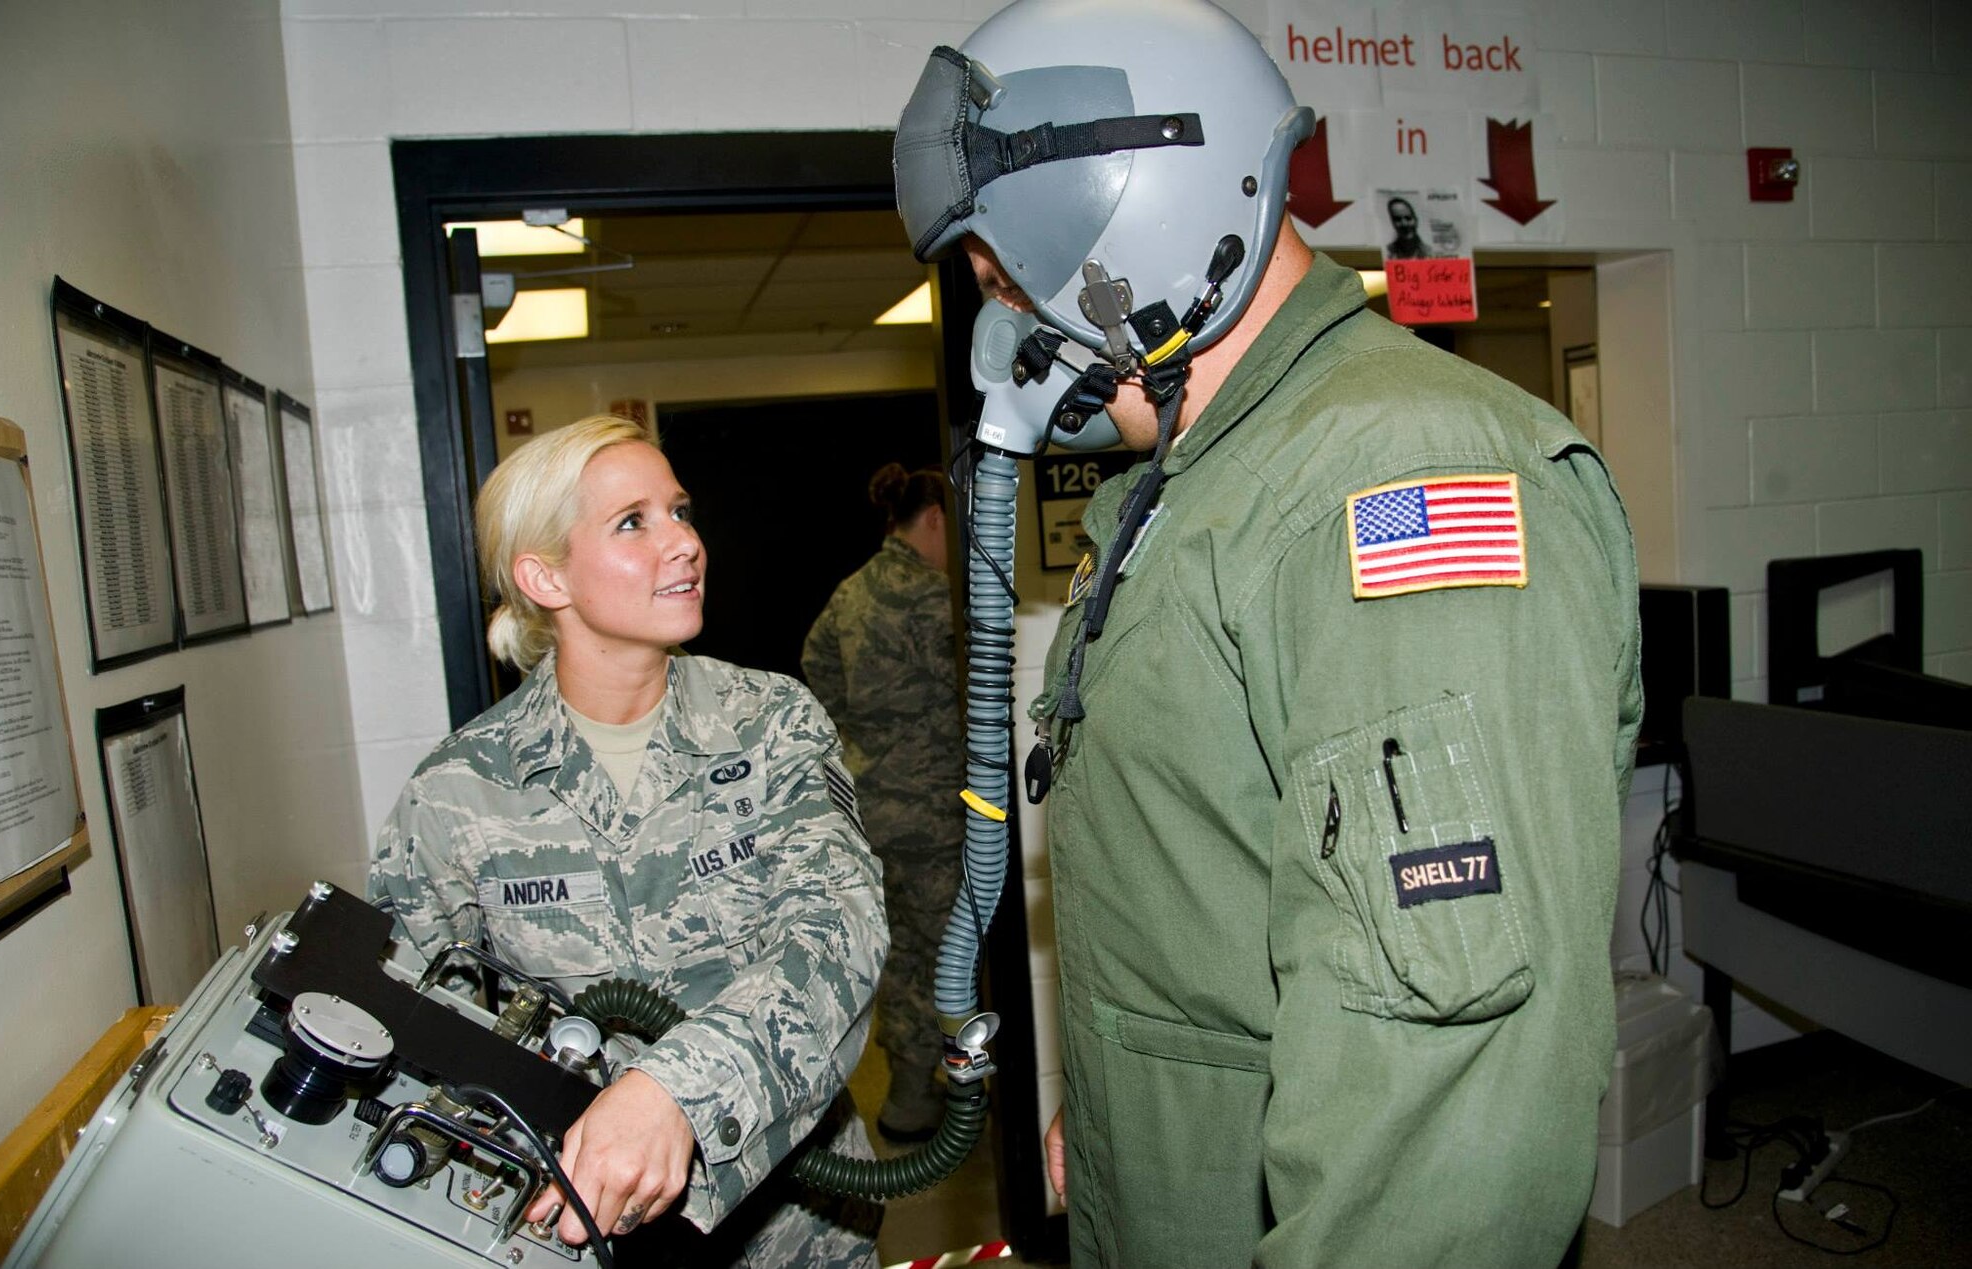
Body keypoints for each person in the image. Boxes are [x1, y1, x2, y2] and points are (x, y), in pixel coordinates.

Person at [892, 4, 1643, 1267]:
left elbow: (1443, 1091)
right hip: (1185, 1177)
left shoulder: (1400, 478)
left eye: (1001, 282)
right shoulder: (1194, 481)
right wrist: (1120, 1092)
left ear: (1137, 221)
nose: (1001, 338)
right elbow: (1207, 862)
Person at [367, 415, 886, 1267]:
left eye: (679, 511)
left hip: (795, 1227)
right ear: (546, 576)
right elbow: (416, 1024)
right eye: (633, 522)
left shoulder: (772, 723)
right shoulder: (456, 794)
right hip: (577, 1237)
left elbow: (840, 931)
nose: (683, 542)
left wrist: (673, 1093)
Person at [799, 463, 959, 1142]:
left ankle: (910, 1082)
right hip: (936, 810)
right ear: (933, 520)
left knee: (899, 955)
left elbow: (815, 672)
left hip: (871, 810)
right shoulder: (936, 598)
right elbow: (977, 695)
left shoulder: (850, 594)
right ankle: (926, 1091)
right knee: (944, 952)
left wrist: (862, 742)